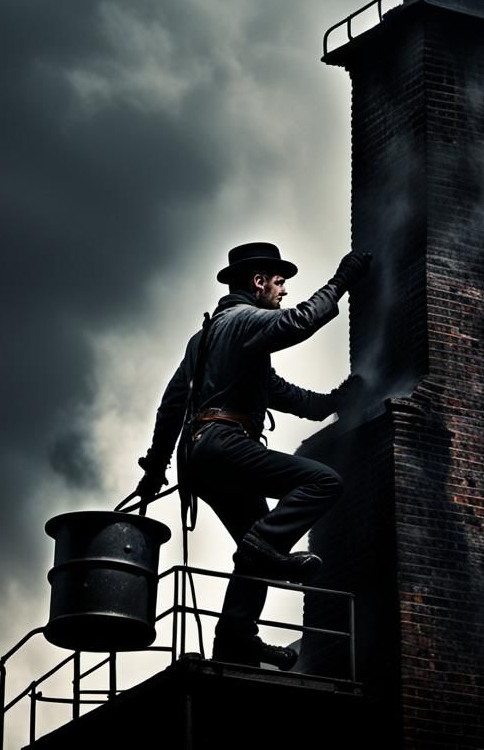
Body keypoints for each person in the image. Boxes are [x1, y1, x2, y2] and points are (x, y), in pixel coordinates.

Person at [136, 241, 371, 669]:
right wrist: (344, 281)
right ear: (258, 282)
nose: (283, 292)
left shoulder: (203, 340)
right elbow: (300, 321)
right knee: (321, 482)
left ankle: (235, 640)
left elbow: (175, 407)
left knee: (255, 550)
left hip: (200, 460)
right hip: (226, 446)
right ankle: (261, 553)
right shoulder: (246, 320)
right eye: (279, 283)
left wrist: (155, 470)